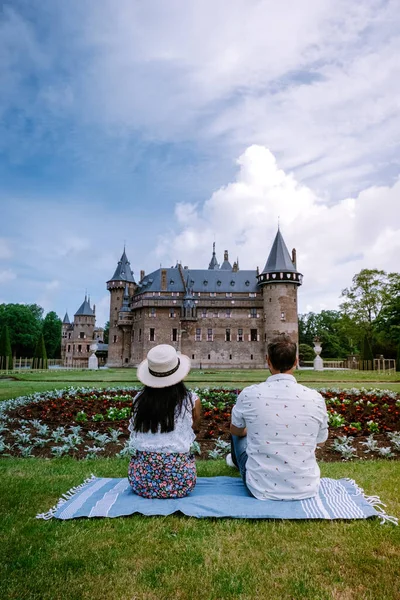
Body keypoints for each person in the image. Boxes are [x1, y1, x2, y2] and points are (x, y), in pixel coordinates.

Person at [226, 335, 328, 500]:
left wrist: (248, 430)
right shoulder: (315, 398)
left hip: (260, 486)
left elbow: (235, 430)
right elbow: (321, 441)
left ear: (268, 361)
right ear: (296, 361)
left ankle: (235, 461)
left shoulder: (250, 394)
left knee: (237, 432)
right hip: (305, 487)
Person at [128, 344, 201, 499]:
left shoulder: (139, 400)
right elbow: (194, 428)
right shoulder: (191, 400)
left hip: (142, 482)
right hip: (181, 482)